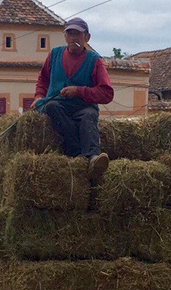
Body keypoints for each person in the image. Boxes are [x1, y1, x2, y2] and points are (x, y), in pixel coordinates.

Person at [34, 17, 114, 180]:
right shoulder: (54, 55)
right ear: (65, 37)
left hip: (83, 106)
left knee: (88, 116)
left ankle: (93, 157)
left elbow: (107, 94)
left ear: (87, 38)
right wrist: (39, 96)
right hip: (58, 105)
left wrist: (79, 91)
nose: (73, 38)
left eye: (77, 34)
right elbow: (43, 79)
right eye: (69, 34)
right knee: (51, 107)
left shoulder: (95, 60)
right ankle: (78, 153)